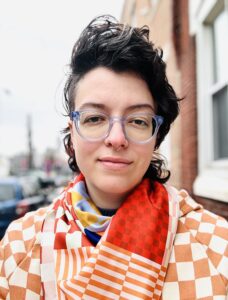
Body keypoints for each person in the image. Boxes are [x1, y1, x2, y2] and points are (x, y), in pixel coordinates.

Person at [0, 15, 227, 300]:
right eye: (95, 118)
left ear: (156, 135)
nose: (117, 138)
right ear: (73, 131)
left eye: (138, 121)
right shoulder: (19, 245)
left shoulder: (216, 246)